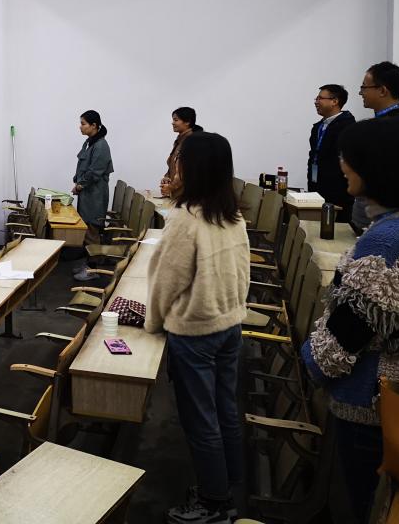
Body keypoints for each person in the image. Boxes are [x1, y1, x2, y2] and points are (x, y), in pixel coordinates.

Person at [146, 132, 249, 524]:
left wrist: (154, 322)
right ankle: (227, 485)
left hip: (195, 334)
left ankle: (213, 501)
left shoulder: (186, 219)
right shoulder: (232, 215)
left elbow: (166, 281)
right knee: (225, 411)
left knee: (200, 420)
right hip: (229, 326)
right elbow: (243, 272)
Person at [302, 118, 399, 524]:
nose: (342, 165)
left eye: (349, 158)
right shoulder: (389, 227)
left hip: (369, 404)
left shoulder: (387, 239)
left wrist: (307, 358)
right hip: (382, 398)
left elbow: (344, 337)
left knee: (365, 505)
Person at [351, 61, 399, 229]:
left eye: (364, 87)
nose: (360, 92)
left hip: (384, 223)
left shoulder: (393, 129)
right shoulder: (379, 125)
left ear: (382, 91)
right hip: (368, 218)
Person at [71, 110, 113, 282]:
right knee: (87, 229)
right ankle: (89, 263)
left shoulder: (101, 145)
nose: (80, 127)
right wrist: (78, 182)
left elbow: (95, 171)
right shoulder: (90, 143)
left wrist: (80, 185)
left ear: (94, 125)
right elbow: (83, 166)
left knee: (92, 230)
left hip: (95, 195)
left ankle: (93, 269)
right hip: (87, 194)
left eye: (83, 123)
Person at [306, 83, 355, 220]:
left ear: (335, 101)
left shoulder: (348, 127)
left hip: (338, 194)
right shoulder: (318, 127)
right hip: (316, 187)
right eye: (316, 98)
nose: (316, 102)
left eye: (320, 98)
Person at [161, 107, 203, 196]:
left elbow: (186, 171)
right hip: (178, 196)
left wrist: (170, 187)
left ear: (187, 122)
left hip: (189, 197)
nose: (172, 123)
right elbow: (173, 165)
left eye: (176, 120)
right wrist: (167, 177)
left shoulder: (192, 141)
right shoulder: (179, 141)